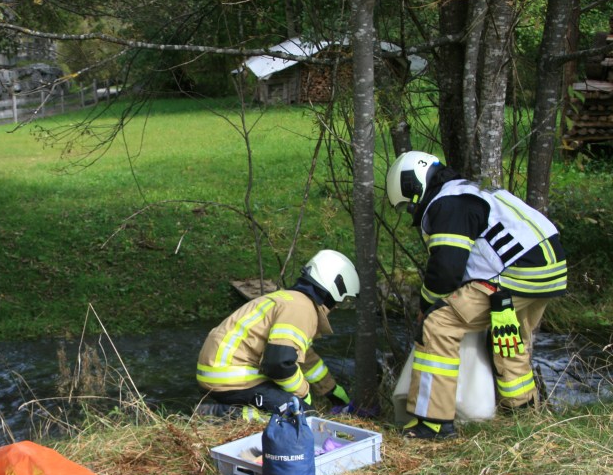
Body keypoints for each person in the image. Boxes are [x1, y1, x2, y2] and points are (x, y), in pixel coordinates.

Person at [385, 150, 567, 439]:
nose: (411, 211)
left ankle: (433, 423)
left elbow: (446, 268)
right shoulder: (469, 192)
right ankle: (521, 414)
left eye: (408, 205)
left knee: (438, 324)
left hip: (513, 274)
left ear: (413, 187)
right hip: (546, 274)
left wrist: (427, 306)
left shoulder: (447, 203)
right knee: (507, 337)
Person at [196, 250, 360, 420]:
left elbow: (306, 358)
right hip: (232, 377)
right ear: (335, 289)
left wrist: (330, 389)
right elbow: (278, 364)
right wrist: (303, 394)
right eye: (340, 301)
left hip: (219, 371)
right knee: (302, 417)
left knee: (298, 408)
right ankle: (223, 415)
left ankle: (230, 409)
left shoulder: (292, 300)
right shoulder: (302, 309)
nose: (336, 307)